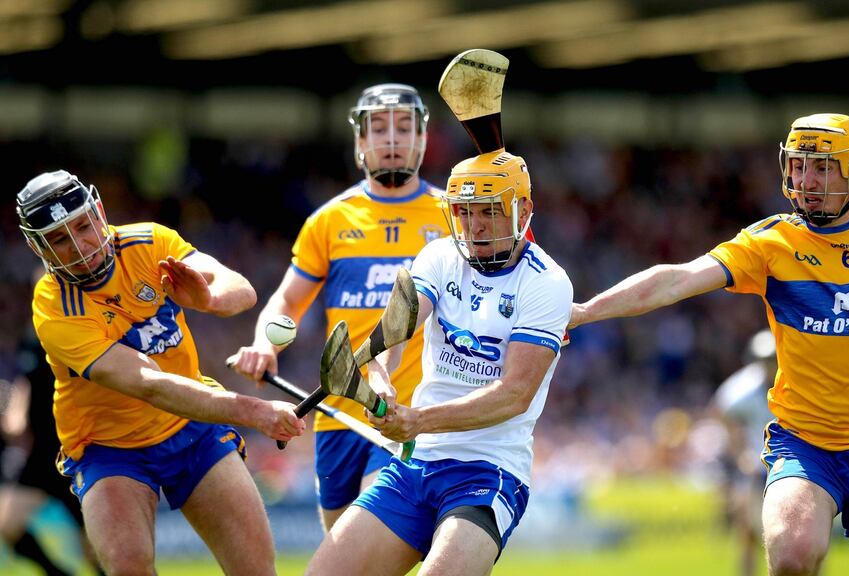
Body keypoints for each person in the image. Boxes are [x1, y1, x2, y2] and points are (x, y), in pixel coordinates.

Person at [569, 113, 849, 576]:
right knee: (793, 557)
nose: (806, 180)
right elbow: (676, 279)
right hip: (804, 443)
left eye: (822, 167)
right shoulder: (770, 242)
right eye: (799, 166)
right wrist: (586, 310)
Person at [16, 169, 305, 575]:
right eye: (60, 239)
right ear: (38, 247)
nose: (81, 246)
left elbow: (239, 287)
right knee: (129, 569)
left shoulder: (149, 241)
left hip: (192, 428)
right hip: (109, 448)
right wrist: (252, 411)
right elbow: (148, 384)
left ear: (98, 211)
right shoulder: (53, 307)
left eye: (83, 226)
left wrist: (210, 297)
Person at [305, 147, 573, 576]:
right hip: (415, 465)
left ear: (523, 210)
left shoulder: (548, 283)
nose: (476, 226)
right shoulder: (439, 256)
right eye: (465, 212)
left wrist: (419, 420)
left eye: (489, 211)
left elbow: (514, 395)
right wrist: (382, 375)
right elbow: (397, 326)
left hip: (487, 473)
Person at [228, 83, 452, 532]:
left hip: (406, 412)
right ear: (360, 142)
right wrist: (265, 344)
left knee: (369, 536)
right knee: (343, 554)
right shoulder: (329, 221)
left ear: (423, 139)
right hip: (337, 417)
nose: (392, 139)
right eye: (380, 129)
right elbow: (289, 301)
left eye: (405, 127)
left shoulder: (451, 215)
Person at [1, 324, 104, 576]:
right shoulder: (35, 340)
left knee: (97, 546)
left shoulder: (84, 336)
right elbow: (26, 380)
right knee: (7, 523)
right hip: (41, 456)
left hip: (77, 453)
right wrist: (16, 414)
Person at [712, 328, 777, 576]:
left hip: (794, 466)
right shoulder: (741, 390)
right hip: (756, 468)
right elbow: (726, 418)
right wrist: (741, 456)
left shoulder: (797, 382)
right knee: (748, 532)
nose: (769, 366)